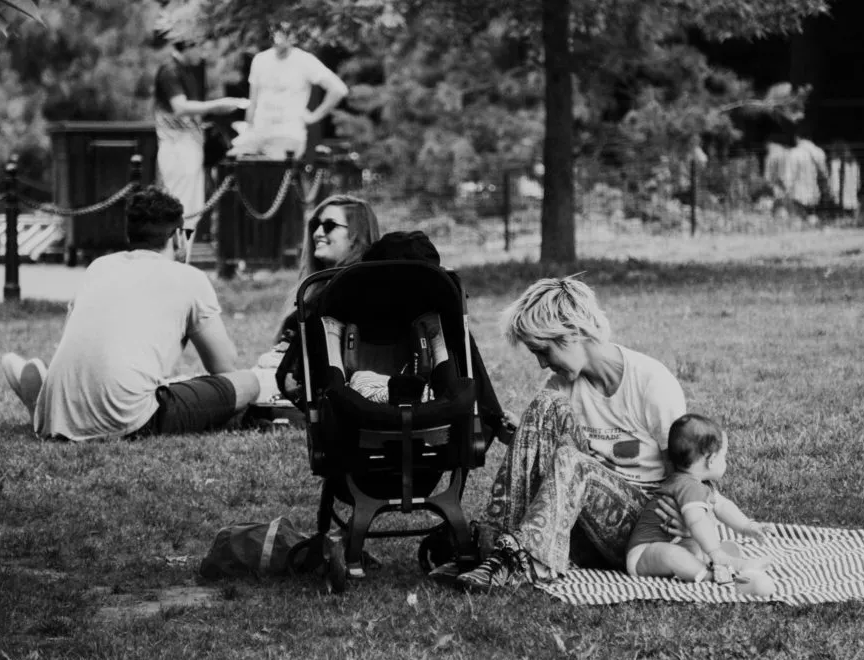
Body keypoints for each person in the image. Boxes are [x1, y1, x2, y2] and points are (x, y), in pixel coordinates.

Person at [430, 275, 688, 591]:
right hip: (582, 525)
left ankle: (522, 562)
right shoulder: (563, 386)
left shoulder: (652, 382)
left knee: (573, 460)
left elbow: (687, 469)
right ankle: (494, 547)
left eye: (543, 350)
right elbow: (549, 460)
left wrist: (687, 523)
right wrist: (524, 433)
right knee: (545, 406)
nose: (541, 364)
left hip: (641, 534)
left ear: (572, 332)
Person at [1, 186, 260, 440]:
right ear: (179, 237)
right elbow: (224, 366)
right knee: (248, 383)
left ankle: (46, 403)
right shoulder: (190, 278)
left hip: (63, 414)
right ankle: (62, 402)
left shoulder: (98, 268)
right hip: (130, 417)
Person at [251, 194, 381, 406]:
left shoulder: (357, 290)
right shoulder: (314, 287)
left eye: (329, 226)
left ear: (357, 235)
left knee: (235, 385)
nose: (317, 233)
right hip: (280, 377)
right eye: (315, 225)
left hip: (306, 385)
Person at [626, 414, 775, 588]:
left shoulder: (701, 484)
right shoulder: (687, 486)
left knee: (694, 550)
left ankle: (721, 563)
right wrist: (716, 552)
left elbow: (723, 506)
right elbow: (696, 520)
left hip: (678, 544)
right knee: (673, 555)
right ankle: (712, 574)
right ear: (711, 460)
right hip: (644, 553)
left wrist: (747, 526)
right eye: (724, 456)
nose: (724, 461)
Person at [153, 21, 249, 234]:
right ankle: (175, 259)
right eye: (198, 46)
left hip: (192, 144)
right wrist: (218, 105)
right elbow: (180, 107)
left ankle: (182, 259)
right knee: (180, 205)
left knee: (192, 208)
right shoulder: (170, 70)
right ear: (186, 46)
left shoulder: (191, 71)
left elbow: (195, 108)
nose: (203, 52)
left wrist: (220, 108)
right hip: (176, 145)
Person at [230, 21, 349, 160]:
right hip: (259, 131)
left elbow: (339, 89)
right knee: (233, 161)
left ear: (292, 37)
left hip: (287, 133)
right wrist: (248, 127)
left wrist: (314, 117)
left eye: (283, 35)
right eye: (275, 35)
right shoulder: (260, 60)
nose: (278, 40)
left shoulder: (304, 60)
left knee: (275, 168)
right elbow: (253, 101)